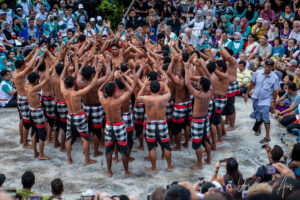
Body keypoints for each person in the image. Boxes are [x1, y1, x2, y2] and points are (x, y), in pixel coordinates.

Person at [60, 55, 100, 165]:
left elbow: (60, 79)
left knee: (69, 138)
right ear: (74, 83)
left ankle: (69, 159)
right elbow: (91, 85)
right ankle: (87, 159)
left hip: (70, 115)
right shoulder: (77, 93)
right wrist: (96, 73)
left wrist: (65, 67)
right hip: (79, 115)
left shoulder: (63, 91)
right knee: (85, 138)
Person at [98, 72, 134, 177]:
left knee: (109, 149)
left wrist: (107, 80)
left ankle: (109, 171)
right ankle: (126, 172)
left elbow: (99, 90)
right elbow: (130, 91)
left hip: (109, 125)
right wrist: (122, 80)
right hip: (119, 125)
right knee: (123, 149)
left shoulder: (103, 100)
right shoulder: (118, 101)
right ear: (115, 91)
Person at [137, 77, 175, 173]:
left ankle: (154, 168)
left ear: (150, 89)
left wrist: (144, 85)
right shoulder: (164, 98)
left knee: (151, 147)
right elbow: (169, 92)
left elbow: (137, 97)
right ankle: (169, 166)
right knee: (166, 146)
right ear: (159, 88)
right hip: (162, 123)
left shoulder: (146, 98)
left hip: (150, 124)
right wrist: (164, 83)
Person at [76, 62, 111, 158]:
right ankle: (95, 152)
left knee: (86, 130)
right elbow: (108, 75)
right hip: (96, 107)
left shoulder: (80, 82)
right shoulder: (96, 83)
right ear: (92, 75)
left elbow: (78, 74)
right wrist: (107, 62)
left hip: (85, 107)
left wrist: (84, 62)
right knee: (97, 130)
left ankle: (86, 150)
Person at [244, 59, 279, 143]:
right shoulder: (258, 73)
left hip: (266, 99)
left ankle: (267, 136)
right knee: (257, 113)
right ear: (264, 65)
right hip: (256, 97)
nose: (267, 68)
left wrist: (273, 103)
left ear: (272, 67)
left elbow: (275, 91)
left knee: (266, 117)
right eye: (266, 66)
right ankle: (259, 127)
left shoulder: (275, 77)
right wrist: (246, 94)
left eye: (270, 67)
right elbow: (252, 83)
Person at [185, 63, 212, 169]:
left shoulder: (198, 94)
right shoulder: (209, 92)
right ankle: (208, 159)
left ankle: (199, 164)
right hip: (205, 118)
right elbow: (208, 79)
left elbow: (187, 83)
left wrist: (187, 68)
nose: (198, 83)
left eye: (199, 83)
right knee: (206, 139)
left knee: (197, 143)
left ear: (201, 86)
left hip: (197, 121)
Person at [12, 49, 40, 149]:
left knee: (22, 120)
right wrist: (36, 54)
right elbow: (28, 67)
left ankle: (22, 139)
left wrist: (32, 52)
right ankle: (24, 143)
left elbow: (25, 61)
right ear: (22, 66)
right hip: (23, 99)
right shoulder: (19, 75)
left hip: (21, 97)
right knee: (26, 121)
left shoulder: (15, 71)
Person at [25, 69, 51, 160]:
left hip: (31, 111)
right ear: (36, 80)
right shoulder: (33, 88)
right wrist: (47, 66)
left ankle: (35, 152)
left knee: (34, 131)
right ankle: (41, 154)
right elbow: (47, 78)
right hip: (37, 112)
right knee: (41, 134)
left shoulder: (26, 85)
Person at [167, 56, 191, 151]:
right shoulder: (190, 81)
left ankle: (178, 146)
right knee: (186, 125)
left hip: (179, 105)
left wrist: (172, 61)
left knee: (177, 128)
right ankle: (186, 143)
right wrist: (187, 66)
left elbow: (169, 73)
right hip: (188, 103)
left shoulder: (179, 81)